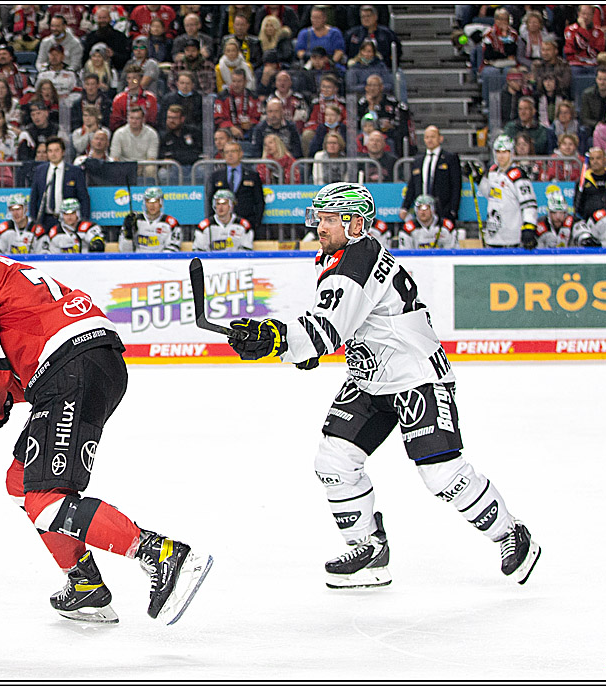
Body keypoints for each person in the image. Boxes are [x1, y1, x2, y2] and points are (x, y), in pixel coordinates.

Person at [224, 181, 541, 587]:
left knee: (441, 473)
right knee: (334, 462)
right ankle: (370, 550)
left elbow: (326, 329)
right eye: (318, 218)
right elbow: (343, 325)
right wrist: (298, 347)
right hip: (370, 379)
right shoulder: (341, 255)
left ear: (355, 223)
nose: (319, 226)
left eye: (329, 219)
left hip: (416, 377)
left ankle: (511, 533)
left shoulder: (358, 258)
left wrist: (279, 339)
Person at [0, 208, 212, 623]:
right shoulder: (4, 272)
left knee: (45, 497)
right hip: (93, 364)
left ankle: (160, 554)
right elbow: (18, 373)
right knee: (21, 481)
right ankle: (84, 583)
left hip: (71, 369)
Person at [472, 135, 539, 249]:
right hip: (493, 235)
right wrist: (479, 179)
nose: (501, 156)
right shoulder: (493, 172)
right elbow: (491, 195)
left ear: (511, 153)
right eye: (498, 152)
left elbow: (529, 204)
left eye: (505, 152)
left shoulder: (518, 175)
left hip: (511, 238)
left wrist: (529, 225)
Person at [400, 125, 462, 223]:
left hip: (443, 209)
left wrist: (453, 209)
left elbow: (456, 186)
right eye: (427, 137)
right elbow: (412, 185)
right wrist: (405, 207)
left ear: (440, 138)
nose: (429, 140)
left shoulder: (450, 158)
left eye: (433, 137)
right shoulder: (418, 160)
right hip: (422, 210)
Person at [208, 140, 265, 239]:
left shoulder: (252, 175)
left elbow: (259, 201)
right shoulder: (216, 176)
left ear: (240, 153)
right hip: (222, 225)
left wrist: (256, 222)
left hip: (247, 223)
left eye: (233, 151)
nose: (230, 154)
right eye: (227, 152)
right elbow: (210, 200)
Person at [29, 136, 89, 229]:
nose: (53, 154)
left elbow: (83, 197)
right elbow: (34, 197)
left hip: (68, 220)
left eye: (56, 150)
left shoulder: (75, 171)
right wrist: (33, 220)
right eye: (50, 151)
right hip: (46, 220)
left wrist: (84, 220)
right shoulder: (40, 171)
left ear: (63, 152)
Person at [119, 186, 181, 252]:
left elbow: (173, 249)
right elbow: (124, 251)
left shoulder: (171, 223)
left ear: (161, 203)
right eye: (148, 201)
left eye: (155, 201)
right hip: (138, 260)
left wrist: (156, 260)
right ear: (144, 203)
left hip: (161, 261)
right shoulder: (134, 221)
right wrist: (128, 236)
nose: (152, 205)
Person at [573, 147, 606, 220]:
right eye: (592, 159)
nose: (595, 161)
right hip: (590, 221)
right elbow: (577, 204)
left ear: (605, 160)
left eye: (598, 158)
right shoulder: (583, 180)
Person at [109, 106, 159, 181]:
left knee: (151, 169)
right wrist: (129, 167)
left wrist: (138, 166)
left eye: (137, 118)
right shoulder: (119, 133)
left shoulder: (152, 134)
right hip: (124, 165)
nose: (134, 121)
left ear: (143, 119)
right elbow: (115, 157)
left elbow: (151, 157)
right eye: (131, 118)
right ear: (128, 119)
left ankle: (149, 190)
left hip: (144, 165)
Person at [563, 5, 605, 74]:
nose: (586, 17)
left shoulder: (599, 32)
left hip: (593, 64)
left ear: (593, 15)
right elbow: (580, 46)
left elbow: (598, 52)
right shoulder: (570, 29)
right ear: (578, 14)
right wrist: (583, 28)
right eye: (583, 14)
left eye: (589, 14)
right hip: (576, 64)